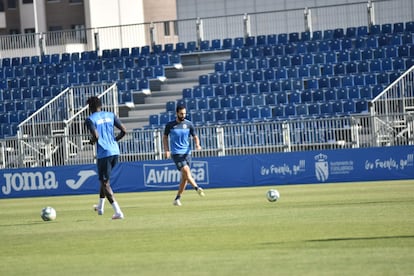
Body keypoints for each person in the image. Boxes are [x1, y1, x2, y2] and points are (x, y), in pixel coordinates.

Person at [85, 96, 126, 219]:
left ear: (90, 107)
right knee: (104, 181)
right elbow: (124, 130)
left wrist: (92, 141)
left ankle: (118, 211)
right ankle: (100, 207)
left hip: (104, 154)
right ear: (100, 105)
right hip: (115, 151)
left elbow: (96, 136)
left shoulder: (90, 119)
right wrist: (114, 141)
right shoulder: (111, 115)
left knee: (105, 182)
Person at [163, 105, 205, 206]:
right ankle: (197, 188)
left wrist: (198, 144)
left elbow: (195, 136)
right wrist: (167, 150)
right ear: (177, 113)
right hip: (176, 153)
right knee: (186, 171)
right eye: (181, 113)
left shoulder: (189, 124)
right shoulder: (170, 125)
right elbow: (164, 138)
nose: (183, 115)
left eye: (184, 113)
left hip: (187, 153)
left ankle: (177, 199)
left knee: (185, 177)